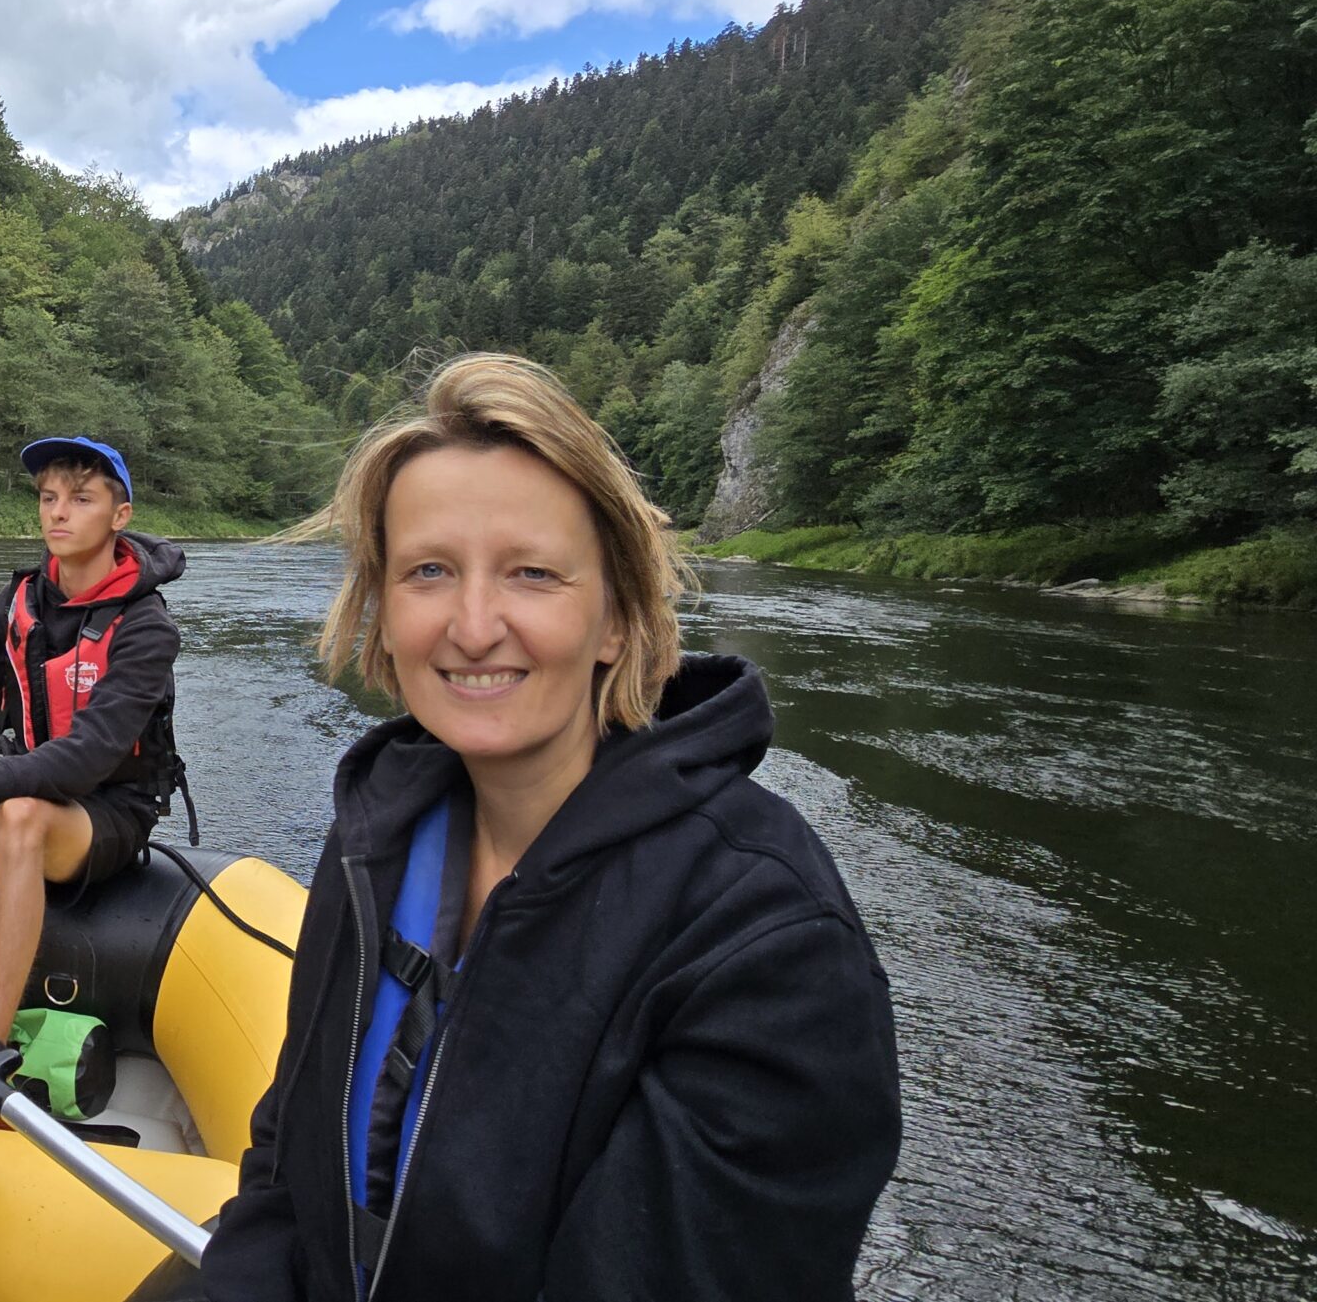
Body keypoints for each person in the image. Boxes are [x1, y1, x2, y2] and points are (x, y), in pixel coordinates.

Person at [197, 354, 901, 1301]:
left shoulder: (767, 939)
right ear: (383, 610)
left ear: (615, 619)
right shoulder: (376, 841)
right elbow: (287, 1170)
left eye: (532, 573)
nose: (474, 624)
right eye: (430, 571)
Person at [0, 437, 185, 1071]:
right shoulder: (18, 602)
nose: (59, 513)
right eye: (49, 497)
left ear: (119, 515)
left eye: (81, 498)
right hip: (20, 786)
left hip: (106, 809)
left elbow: (83, 761)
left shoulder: (148, 627)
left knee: (18, 817)